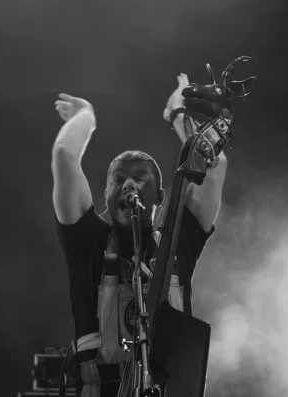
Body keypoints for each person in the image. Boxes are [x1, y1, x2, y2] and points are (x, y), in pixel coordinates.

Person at [52, 73, 228, 397]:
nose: (129, 185)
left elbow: (214, 167)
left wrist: (177, 116)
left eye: (140, 178)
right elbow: (64, 155)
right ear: (105, 192)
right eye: (118, 179)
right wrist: (86, 116)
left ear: (160, 196)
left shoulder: (177, 244)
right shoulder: (87, 242)